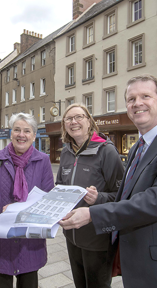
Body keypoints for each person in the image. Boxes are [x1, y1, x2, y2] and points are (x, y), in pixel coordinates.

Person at [60, 74, 157, 288]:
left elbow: (155, 201)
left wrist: (92, 213)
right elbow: (125, 197)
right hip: (139, 266)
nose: (137, 103)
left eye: (145, 96)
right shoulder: (136, 149)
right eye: (131, 99)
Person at [0, 113, 55, 288]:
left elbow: (48, 199)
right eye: (17, 130)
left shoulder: (43, 161)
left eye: (27, 131)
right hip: (0, 238)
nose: (21, 135)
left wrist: (18, 209)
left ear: (34, 135)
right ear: (10, 133)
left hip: (30, 241)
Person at [56, 103, 124, 288]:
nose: (74, 122)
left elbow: (121, 195)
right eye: (68, 118)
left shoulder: (106, 151)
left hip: (97, 236)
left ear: (89, 122)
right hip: (72, 235)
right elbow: (60, 186)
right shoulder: (66, 153)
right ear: (64, 125)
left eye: (79, 117)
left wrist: (98, 198)